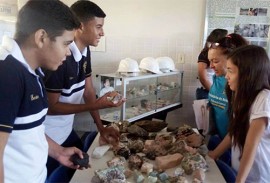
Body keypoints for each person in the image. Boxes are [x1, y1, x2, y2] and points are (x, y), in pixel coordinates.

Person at [0, 0, 84, 182]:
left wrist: (59, 152)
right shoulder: (7, 74)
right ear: (41, 37)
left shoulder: (32, 71)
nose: (69, 52)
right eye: (66, 43)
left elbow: (29, 130)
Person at [43, 0, 124, 176]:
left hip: (66, 130)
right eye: (98, 27)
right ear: (80, 27)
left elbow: (88, 91)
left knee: (83, 167)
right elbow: (51, 107)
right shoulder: (60, 59)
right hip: (48, 138)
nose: (102, 33)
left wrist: (101, 127)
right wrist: (97, 105)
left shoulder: (85, 51)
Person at [208, 45, 270, 183]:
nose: (226, 76)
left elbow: (251, 144)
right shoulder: (240, 96)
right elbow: (235, 132)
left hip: (256, 178)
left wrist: (239, 180)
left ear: (248, 74)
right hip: (239, 171)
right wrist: (214, 154)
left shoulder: (263, 98)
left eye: (230, 71)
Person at [207, 33, 248, 163]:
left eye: (215, 61)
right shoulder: (216, 78)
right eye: (210, 61)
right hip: (220, 137)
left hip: (236, 145)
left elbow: (238, 127)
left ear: (232, 59)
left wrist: (214, 154)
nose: (211, 66)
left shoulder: (238, 86)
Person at [196, 28, 228, 99]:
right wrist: (214, 93)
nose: (211, 65)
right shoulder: (205, 53)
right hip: (209, 90)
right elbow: (203, 77)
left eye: (215, 61)